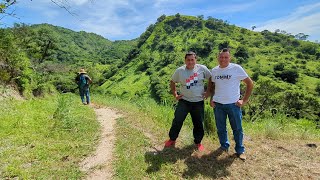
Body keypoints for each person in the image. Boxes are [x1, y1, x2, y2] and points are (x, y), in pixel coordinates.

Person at [210, 48, 253, 160]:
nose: (223, 59)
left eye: (226, 57)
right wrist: (212, 99)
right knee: (221, 128)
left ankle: (240, 150)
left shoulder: (236, 68)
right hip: (218, 105)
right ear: (218, 58)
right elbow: (213, 86)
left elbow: (250, 83)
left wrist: (244, 100)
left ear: (230, 58)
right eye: (221, 57)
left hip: (233, 105)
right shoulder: (214, 70)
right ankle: (224, 146)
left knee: (237, 129)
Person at [164, 51, 212, 151]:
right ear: (185, 60)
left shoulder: (202, 69)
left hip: (198, 102)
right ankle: (172, 139)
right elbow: (172, 82)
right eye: (188, 60)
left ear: (195, 60)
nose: (190, 62)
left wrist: (208, 92)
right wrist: (175, 94)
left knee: (198, 123)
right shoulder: (179, 71)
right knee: (177, 120)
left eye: (192, 60)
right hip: (184, 101)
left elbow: (211, 78)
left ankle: (198, 142)